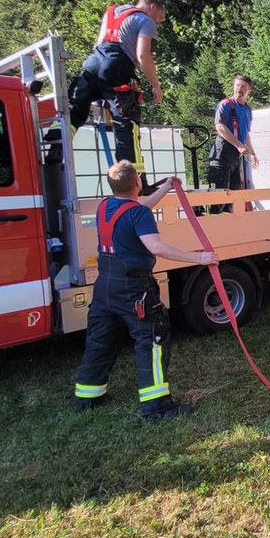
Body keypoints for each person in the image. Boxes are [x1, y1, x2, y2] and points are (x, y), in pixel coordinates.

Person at [73, 160, 218, 420]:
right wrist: (200, 259)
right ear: (137, 183)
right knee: (152, 340)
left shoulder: (106, 206)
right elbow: (156, 247)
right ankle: (157, 407)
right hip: (133, 287)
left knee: (100, 340)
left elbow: (138, 206)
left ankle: (86, 397)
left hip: (105, 285)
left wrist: (167, 187)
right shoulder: (138, 214)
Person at [68, 0, 167, 185]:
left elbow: (98, 44)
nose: (159, 22)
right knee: (127, 126)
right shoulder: (145, 20)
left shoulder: (111, 12)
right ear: (152, 7)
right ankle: (135, 183)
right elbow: (142, 55)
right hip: (117, 69)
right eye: (160, 17)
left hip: (92, 65)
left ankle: (56, 149)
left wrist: (99, 90)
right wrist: (155, 85)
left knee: (74, 112)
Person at [206, 74, 259, 213]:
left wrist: (252, 153)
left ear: (249, 91)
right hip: (223, 153)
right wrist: (239, 145)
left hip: (236, 155)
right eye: (237, 85)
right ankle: (215, 226)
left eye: (243, 87)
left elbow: (246, 133)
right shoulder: (226, 105)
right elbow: (220, 127)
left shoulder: (247, 109)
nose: (239, 89)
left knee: (236, 193)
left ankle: (233, 227)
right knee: (221, 195)